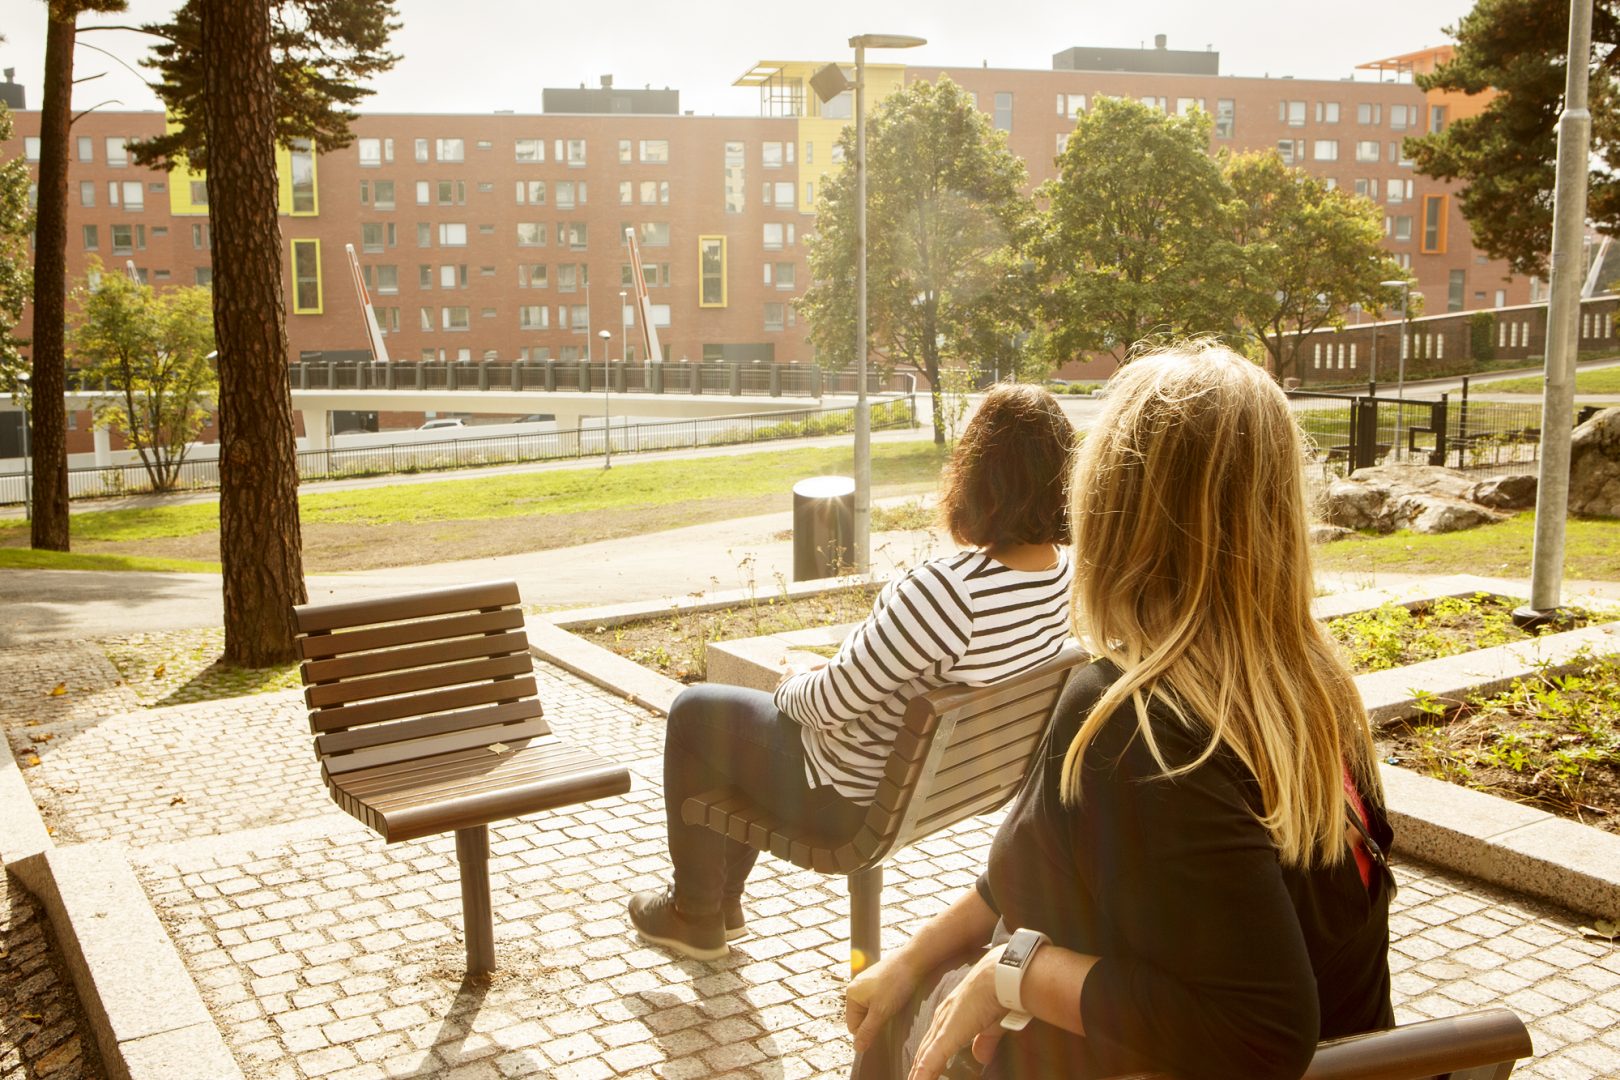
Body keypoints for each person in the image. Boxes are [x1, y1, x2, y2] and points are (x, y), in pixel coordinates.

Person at [845, 346, 1395, 1080]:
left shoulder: (1137, 726)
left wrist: (1015, 974)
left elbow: (1262, 1030)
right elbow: (1040, 866)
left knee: (891, 1045)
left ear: (1114, 507)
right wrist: (912, 959)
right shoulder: (1313, 692)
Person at [628, 384, 1078, 961]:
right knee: (735, 723)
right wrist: (832, 677)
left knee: (695, 714)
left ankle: (696, 912)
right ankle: (718, 904)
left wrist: (790, 679)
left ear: (980, 475)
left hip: (848, 796)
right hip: (936, 788)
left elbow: (828, 705)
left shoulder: (949, 592)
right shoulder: (1056, 574)